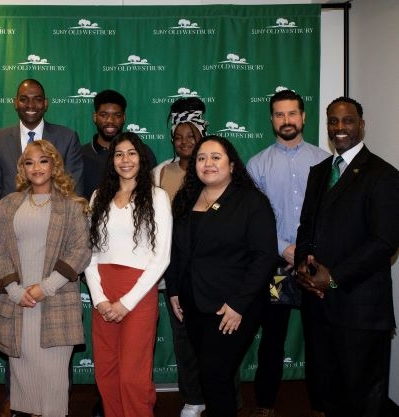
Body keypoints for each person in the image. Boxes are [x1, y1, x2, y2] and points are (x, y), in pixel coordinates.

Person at [295, 97, 399, 417]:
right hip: (320, 306)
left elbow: (384, 241)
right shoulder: (320, 171)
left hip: (360, 310)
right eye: (333, 121)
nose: (340, 128)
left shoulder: (383, 175)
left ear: (361, 125)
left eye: (348, 120)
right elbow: (306, 227)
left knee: (364, 399)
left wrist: (335, 276)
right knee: (329, 395)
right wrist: (302, 265)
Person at [165, 135, 277, 417]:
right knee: (209, 371)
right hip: (193, 302)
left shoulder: (252, 201)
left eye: (216, 157)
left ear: (232, 164)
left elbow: (264, 257)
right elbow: (177, 251)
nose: (208, 163)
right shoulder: (187, 198)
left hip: (234, 305)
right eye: (202, 158)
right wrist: (175, 290)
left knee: (216, 371)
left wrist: (239, 304)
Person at [0, 139, 91, 417]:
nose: (36, 167)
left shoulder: (71, 206)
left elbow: (81, 250)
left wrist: (44, 288)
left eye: (43, 160)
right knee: (24, 384)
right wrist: (14, 290)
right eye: (29, 162)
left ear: (54, 165)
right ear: (22, 167)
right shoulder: (9, 204)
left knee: (54, 382)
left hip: (55, 303)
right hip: (18, 304)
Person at [246, 90, 329, 417]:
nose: (286, 120)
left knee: (321, 337)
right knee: (272, 339)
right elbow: (255, 223)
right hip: (276, 268)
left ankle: (322, 406)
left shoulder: (324, 162)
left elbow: (332, 218)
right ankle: (265, 404)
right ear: (271, 119)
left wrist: (309, 253)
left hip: (316, 267)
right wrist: (284, 248)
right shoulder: (257, 165)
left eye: (292, 113)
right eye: (279, 115)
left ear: (304, 117)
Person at [85, 132, 172, 417]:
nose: (125, 159)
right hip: (103, 291)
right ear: (112, 160)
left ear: (142, 157)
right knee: (107, 371)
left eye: (132, 153)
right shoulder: (99, 195)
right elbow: (91, 253)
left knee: (132, 377)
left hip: (139, 291)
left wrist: (126, 302)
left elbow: (161, 258)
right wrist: (99, 300)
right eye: (119, 154)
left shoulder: (157, 196)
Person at [152, 97, 207, 417]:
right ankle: (193, 399)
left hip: (214, 273)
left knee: (218, 340)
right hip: (177, 274)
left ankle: (225, 396)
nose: (185, 141)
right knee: (184, 339)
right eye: (179, 136)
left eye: (192, 135)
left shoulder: (215, 167)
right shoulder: (159, 173)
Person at [0, 78, 84, 199]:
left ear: (45, 103)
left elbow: (74, 188)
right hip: (11, 215)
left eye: (37, 100)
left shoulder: (67, 138)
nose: (30, 105)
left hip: (58, 215)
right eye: (23, 99)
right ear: (15, 103)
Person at [82, 89, 157, 200]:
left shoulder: (142, 151)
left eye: (117, 115)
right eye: (103, 115)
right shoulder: (80, 154)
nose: (110, 121)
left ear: (124, 118)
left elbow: (152, 191)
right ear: (95, 117)